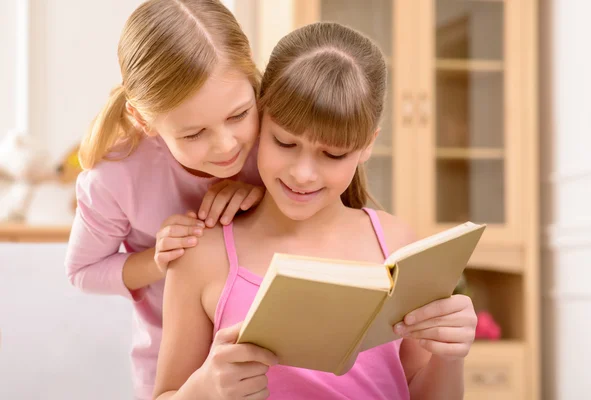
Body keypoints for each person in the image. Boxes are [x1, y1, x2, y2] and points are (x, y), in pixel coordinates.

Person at [153, 21, 477, 400]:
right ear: (260, 118)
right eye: (285, 142)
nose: (302, 174)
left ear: (367, 145)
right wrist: (204, 389)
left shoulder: (398, 244)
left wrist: (450, 358)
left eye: (333, 154)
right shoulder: (201, 254)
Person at [64, 1, 266, 398]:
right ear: (143, 120)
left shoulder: (274, 138)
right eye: (193, 134)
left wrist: (264, 198)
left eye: (239, 115)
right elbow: (82, 271)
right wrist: (158, 259)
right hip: (174, 378)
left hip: (275, 362)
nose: (226, 147)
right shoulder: (115, 176)